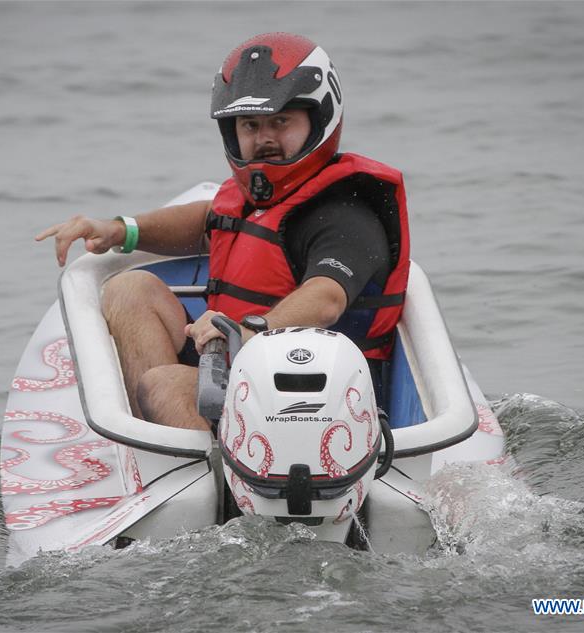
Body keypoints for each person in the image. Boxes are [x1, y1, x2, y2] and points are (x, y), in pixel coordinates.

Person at [36, 32, 410, 432]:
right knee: (130, 290)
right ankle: (162, 447)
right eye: (250, 125)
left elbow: (327, 299)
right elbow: (207, 222)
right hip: (239, 373)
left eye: (280, 121)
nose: (264, 138)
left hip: (316, 406)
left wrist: (247, 330)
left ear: (319, 119)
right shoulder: (259, 198)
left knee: (163, 385)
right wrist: (118, 230)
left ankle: (189, 468)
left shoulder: (346, 214)